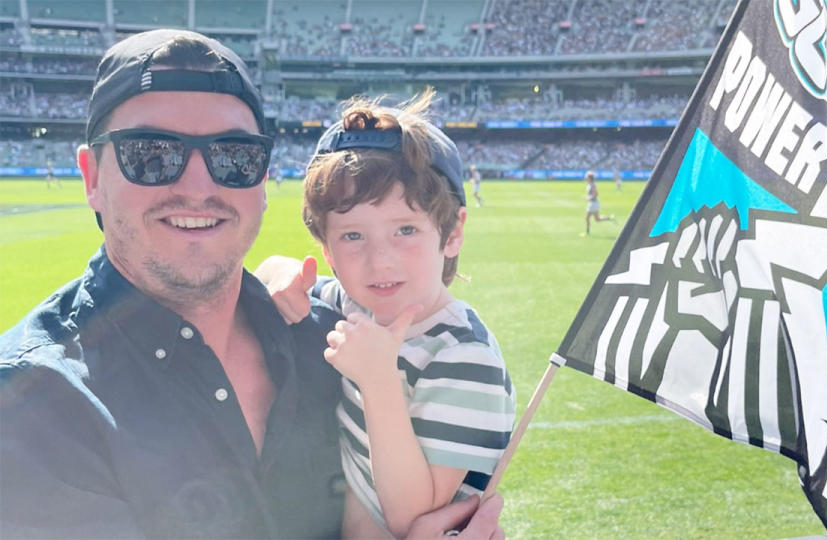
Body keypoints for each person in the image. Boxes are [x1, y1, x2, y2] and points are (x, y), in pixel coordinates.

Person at [0, 29, 504, 540]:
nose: (198, 188)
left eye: (233, 156)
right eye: (150, 153)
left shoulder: (324, 334)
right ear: (91, 178)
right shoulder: (29, 405)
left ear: (262, 182)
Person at [256, 90, 515, 539]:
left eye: (406, 230)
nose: (380, 261)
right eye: (353, 236)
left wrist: (378, 379)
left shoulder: (464, 356)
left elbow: (414, 518)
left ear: (452, 233)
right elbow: (270, 271)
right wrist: (283, 273)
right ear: (327, 249)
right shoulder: (354, 302)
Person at [583, 169, 615, 236]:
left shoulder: (592, 185)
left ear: (589, 178)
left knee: (587, 218)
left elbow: (596, 194)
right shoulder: (590, 184)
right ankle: (610, 218)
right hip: (594, 203)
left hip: (593, 204)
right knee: (597, 219)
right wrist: (587, 196)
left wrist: (588, 198)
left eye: (586, 176)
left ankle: (587, 233)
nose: (585, 177)